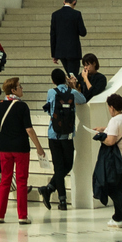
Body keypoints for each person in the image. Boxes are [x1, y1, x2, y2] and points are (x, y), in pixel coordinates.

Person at [0, 77, 44, 224]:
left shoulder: (0, 106)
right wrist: (39, 147)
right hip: (21, 148)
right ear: (13, 90)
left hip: (4, 148)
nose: (22, 89)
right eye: (19, 87)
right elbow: (29, 129)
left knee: (5, 181)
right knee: (21, 181)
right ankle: (22, 216)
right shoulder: (22, 106)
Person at [92, 93, 122, 230]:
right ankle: (118, 219)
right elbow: (116, 132)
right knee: (119, 189)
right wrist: (103, 129)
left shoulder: (114, 120)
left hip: (117, 161)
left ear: (111, 107)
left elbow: (110, 141)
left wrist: (100, 137)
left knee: (109, 186)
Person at [38, 69, 78, 210]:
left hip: (53, 134)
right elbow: (83, 100)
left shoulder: (51, 92)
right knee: (67, 166)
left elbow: (49, 109)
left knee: (59, 167)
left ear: (53, 80)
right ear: (65, 79)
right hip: (68, 134)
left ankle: (56, 195)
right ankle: (51, 192)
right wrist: (72, 86)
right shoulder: (72, 93)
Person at [50, 0, 86, 80]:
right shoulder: (76, 14)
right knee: (73, 76)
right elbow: (83, 32)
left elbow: (53, 35)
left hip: (61, 51)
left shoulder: (55, 15)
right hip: (73, 51)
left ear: (64, 1)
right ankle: (74, 91)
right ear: (74, 2)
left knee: (69, 74)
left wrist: (54, 54)